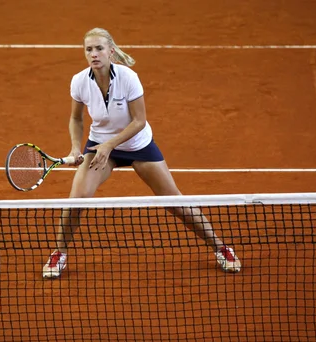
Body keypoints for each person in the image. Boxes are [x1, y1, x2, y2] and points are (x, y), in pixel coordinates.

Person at [42, 27, 241, 278]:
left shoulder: (128, 78)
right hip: (100, 147)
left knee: (176, 203)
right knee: (76, 201)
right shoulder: (79, 81)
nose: (94, 54)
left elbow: (139, 121)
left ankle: (221, 247)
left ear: (111, 52)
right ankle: (59, 252)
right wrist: (75, 146)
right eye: (89, 49)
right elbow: (75, 118)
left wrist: (110, 145)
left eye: (99, 48)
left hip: (137, 145)